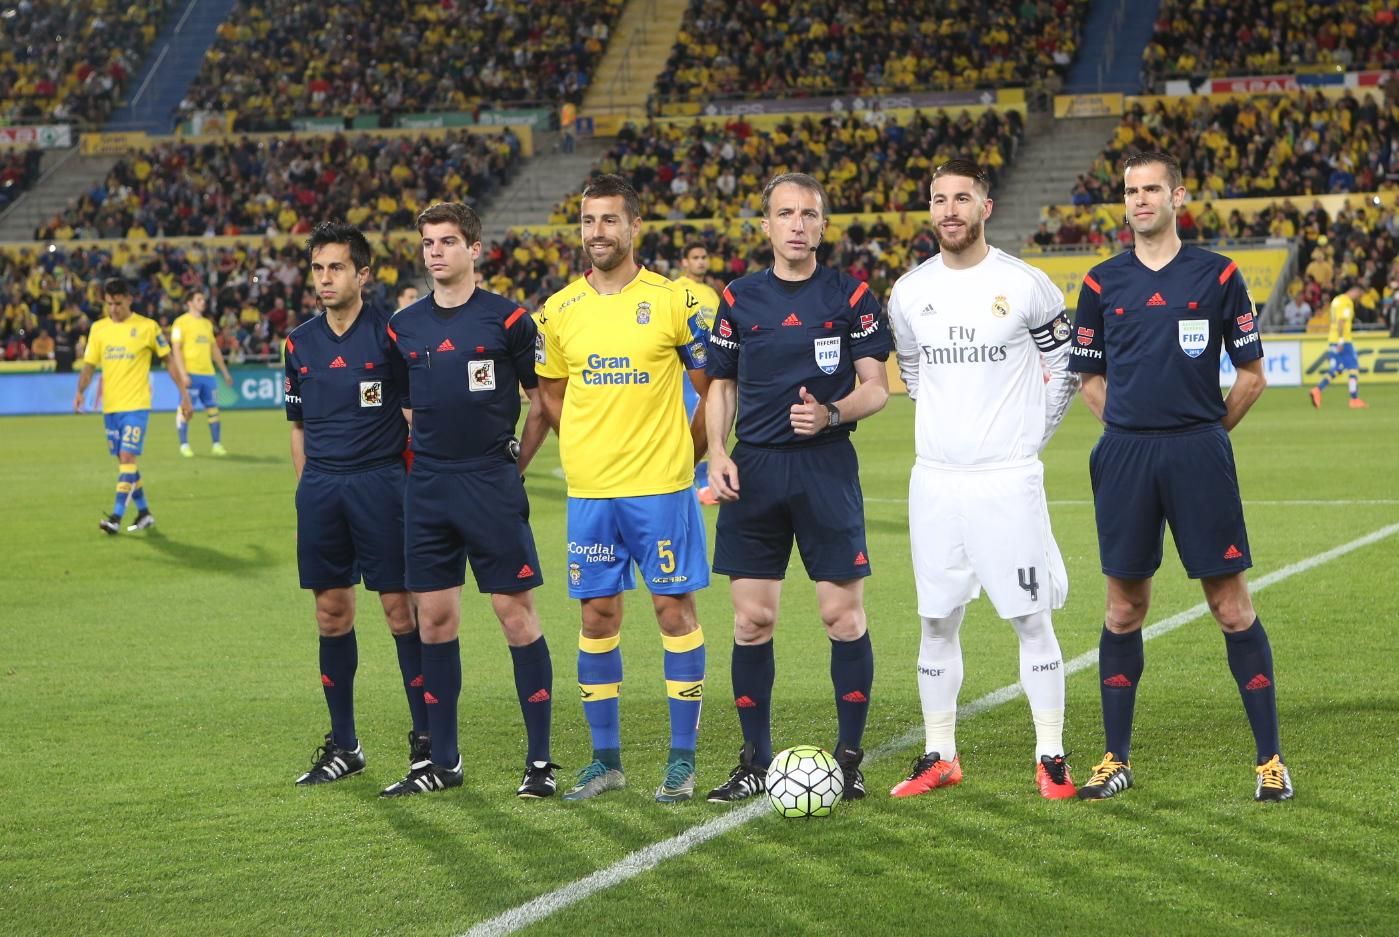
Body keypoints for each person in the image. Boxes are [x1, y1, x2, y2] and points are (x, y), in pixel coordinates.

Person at [1068, 151, 1292, 802]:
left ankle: (1269, 759)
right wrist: (1134, 430)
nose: (1138, 200)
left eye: (1150, 190)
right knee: (1122, 606)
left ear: (1177, 196)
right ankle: (1114, 758)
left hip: (1197, 453)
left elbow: (1251, 376)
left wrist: (1202, 435)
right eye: (1130, 191)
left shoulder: (1217, 275)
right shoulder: (1100, 281)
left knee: (1229, 606)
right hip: (1125, 457)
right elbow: (1090, 378)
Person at [886, 159, 1080, 800]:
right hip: (936, 482)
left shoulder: (1026, 285)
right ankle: (939, 753)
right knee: (936, 622)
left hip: (1007, 480)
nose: (949, 210)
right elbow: (912, 373)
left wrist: (1028, 440)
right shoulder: (909, 292)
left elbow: (1066, 369)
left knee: (1030, 619)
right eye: (938, 199)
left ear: (985, 207)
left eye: (961, 198)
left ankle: (1050, 754)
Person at [703, 172, 890, 804]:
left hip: (825, 468)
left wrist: (832, 414)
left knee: (842, 616)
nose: (798, 225)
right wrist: (717, 454)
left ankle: (850, 760)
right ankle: (754, 759)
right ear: (766, 226)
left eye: (809, 214)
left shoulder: (852, 295)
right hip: (754, 471)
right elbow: (721, 387)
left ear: (822, 225)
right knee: (752, 621)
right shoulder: (739, 298)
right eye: (785, 214)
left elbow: (876, 387)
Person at [536, 174, 712, 803]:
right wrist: (584, 448)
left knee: (673, 613)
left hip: (661, 490)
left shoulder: (673, 302)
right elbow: (550, 392)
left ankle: (682, 762)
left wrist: (688, 454)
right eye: (588, 221)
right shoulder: (558, 310)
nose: (597, 233)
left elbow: (712, 386)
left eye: (610, 220)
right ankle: (605, 760)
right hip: (591, 494)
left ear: (635, 227)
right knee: (597, 615)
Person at [382, 202, 556, 799]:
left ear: (474, 249)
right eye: (429, 242)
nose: (436, 251)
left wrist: (514, 464)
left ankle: (538, 764)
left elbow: (542, 404)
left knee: (514, 616)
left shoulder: (508, 322)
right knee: (433, 621)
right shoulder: (403, 327)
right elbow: (405, 406)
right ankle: (444, 762)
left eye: (448, 241)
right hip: (427, 487)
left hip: (489, 483)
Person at [283, 222, 421, 788]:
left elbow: (415, 418)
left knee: (399, 611)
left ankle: (427, 740)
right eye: (317, 268)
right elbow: (296, 426)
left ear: (363, 274)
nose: (324, 279)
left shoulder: (392, 335)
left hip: (381, 484)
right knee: (330, 614)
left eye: (335, 267)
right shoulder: (299, 342)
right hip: (323, 490)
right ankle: (345, 745)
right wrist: (308, 487)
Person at [73, 277, 192, 534]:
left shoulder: (147, 328)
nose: (113, 309)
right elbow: (89, 365)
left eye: (117, 303)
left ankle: (116, 517)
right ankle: (144, 512)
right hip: (111, 408)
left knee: (128, 457)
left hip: (137, 406)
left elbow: (169, 361)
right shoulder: (99, 329)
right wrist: (80, 392)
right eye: (109, 304)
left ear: (129, 299)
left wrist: (184, 394)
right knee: (125, 463)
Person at [673, 241, 721, 503]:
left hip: (710, 370)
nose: (701, 261)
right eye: (695, 257)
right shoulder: (676, 289)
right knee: (690, 427)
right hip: (685, 371)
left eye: (704, 257)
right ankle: (687, 482)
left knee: (711, 427)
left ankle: (702, 483)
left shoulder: (712, 293)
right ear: (684, 262)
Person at [170, 291, 234, 457]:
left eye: (203, 299)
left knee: (213, 409)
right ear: (189, 303)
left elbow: (214, 350)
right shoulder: (180, 323)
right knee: (186, 409)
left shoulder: (207, 324)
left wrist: (225, 372)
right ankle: (184, 445)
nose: (203, 302)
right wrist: (183, 374)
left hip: (208, 374)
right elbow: (175, 349)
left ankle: (216, 444)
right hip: (191, 373)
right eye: (199, 299)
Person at [1309, 279, 1367, 409]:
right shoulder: (1346, 302)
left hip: (1332, 338)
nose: (1358, 298)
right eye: (1359, 295)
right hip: (1343, 340)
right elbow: (1341, 321)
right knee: (1353, 368)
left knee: (1338, 369)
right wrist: (1341, 340)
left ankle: (1318, 389)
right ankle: (1354, 399)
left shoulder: (1336, 300)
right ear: (1356, 291)